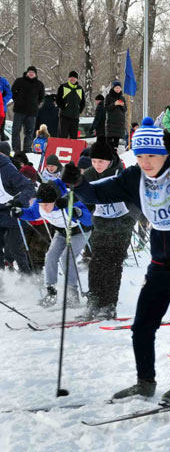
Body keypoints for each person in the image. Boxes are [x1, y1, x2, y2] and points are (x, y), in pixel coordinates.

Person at [59, 116, 170, 407]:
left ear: (163, 153)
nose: (146, 162)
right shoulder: (134, 177)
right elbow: (96, 193)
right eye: (140, 155)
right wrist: (77, 182)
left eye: (152, 155)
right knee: (143, 321)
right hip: (163, 256)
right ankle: (145, 382)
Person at [80, 141, 135, 320]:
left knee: (113, 263)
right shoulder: (89, 174)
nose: (97, 165)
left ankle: (109, 304)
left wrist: (130, 218)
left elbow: (135, 198)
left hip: (122, 223)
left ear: (110, 161)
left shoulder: (122, 174)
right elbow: (81, 195)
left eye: (100, 162)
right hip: (101, 224)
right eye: (94, 161)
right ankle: (94, 301)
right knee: (96, 263)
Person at [14, 181, 92, 306]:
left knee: (67, 257)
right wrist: (21, 212)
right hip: (61, 232)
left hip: (79, 232)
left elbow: (89, 220)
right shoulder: (39, 205)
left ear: (55, 201)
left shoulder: (67, 202)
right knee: (50, 256)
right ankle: (51, 291)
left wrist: (79, 213)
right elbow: (32, 214)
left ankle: (72, 293)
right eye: (41, 204)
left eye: (47, 205)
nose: (44, 208)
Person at [0, 143, 36, 273]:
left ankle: (27, 278)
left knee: (14, 248)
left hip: (13, 211)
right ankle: (2, 281)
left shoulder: (7, 169)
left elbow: (29, 187)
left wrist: (19, 202)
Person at [10, 66, 45, 153]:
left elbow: (41, 97)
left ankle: (27, 149)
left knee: (29, 132)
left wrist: (36, 104)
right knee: (16, 130)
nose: (31, 74)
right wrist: (17, 100)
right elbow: (12, 91)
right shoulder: (19, 81)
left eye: (33, 72)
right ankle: (16, 149)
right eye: (29, 72)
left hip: (32, 112)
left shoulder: (39, 84)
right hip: (19, 111)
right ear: (27, 73)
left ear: (35, 74)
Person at [55, 71, 85, 139]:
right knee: (62, 136)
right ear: (68, 78)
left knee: (74, 138)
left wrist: (79, 110)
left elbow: (83, 102)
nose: (72, 79)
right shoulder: (63, 87)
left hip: (75, 117)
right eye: (71, 77)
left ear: (77, 79)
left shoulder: (80, 89)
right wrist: (63, 107)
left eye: (74, 77)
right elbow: (58, 100)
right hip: (64, 116)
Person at [104, 81, 128, 149]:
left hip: (120, 123)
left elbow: (125, 109)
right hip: (111, 123)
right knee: (109, 142)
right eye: (116, 87)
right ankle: (108, 153)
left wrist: (122, 105)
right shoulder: (108, 96)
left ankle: (115, 153)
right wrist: (114, 104)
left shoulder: (122, 98)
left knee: (116, 144)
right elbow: (106, 108)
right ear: (113, 88)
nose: (118, 89)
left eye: (119, 88)